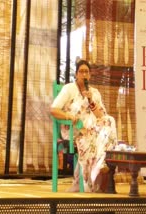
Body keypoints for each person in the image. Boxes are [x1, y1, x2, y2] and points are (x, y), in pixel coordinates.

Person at [50, 59, 117, 192]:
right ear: (76, 74)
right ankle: (93, 177)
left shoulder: (94, 92)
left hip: (92, 129)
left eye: (86, 72)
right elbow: (54, 110)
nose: (84, 75)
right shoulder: (69, 89)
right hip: (74, 130)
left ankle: (100, 165)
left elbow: (100, 117)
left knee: (110, 120)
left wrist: (91, 100)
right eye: (81, 72)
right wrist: (68, 116)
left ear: (90, 75)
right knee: (98, 136)